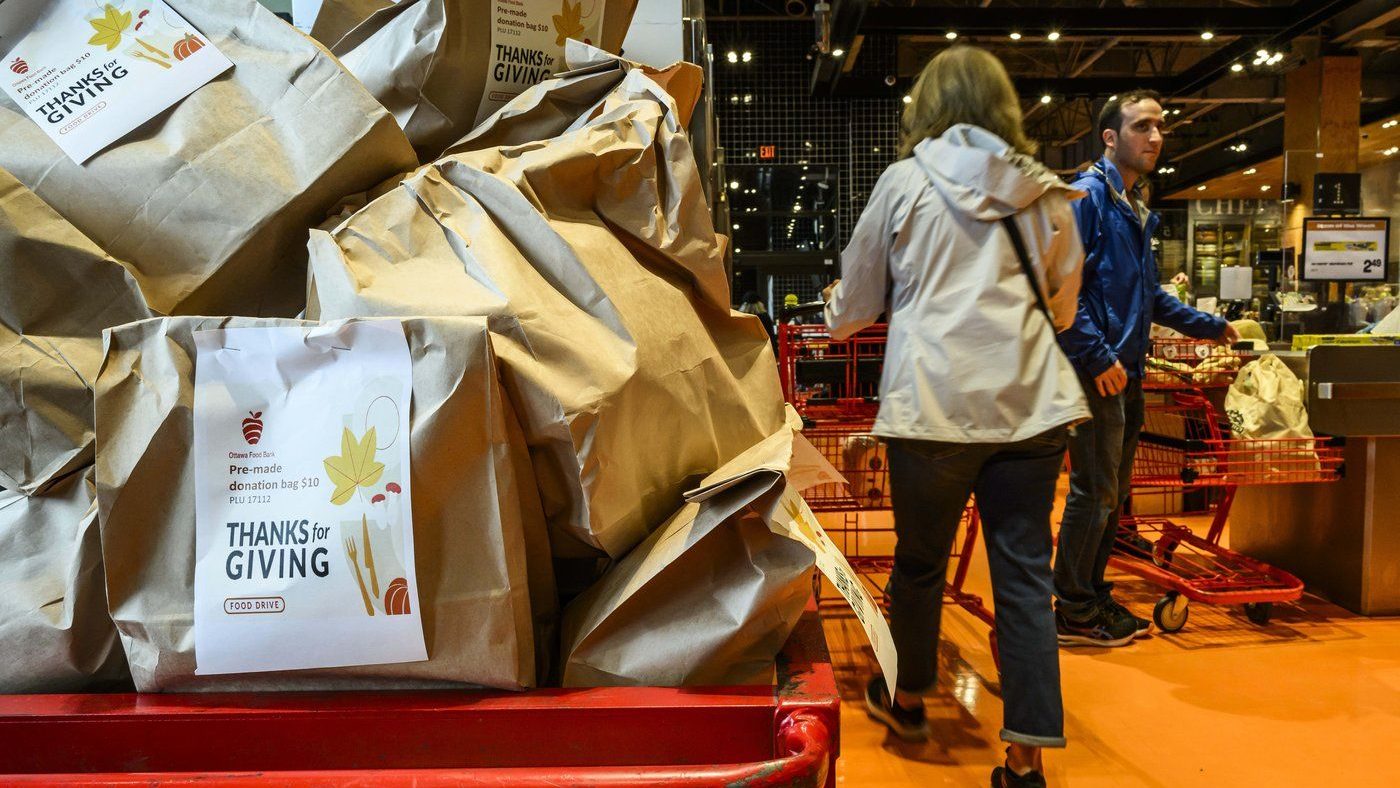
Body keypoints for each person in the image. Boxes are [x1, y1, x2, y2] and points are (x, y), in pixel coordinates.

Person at [823, 46, 1089, 787]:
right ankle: (1026, 755)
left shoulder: (905, 183)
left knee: (918, 565)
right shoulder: (1046, 193)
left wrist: (843, 312)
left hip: (933, 409)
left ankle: (906, 698)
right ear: (1003, 107)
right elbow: (1064, 306)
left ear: (927, 107)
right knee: (1024, 579)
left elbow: (853, 306)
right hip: (1032, 408)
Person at [1054, 91, 1241, 646]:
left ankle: (1089, 592)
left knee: (1114, 491)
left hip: (1126, 372)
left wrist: (1206, 325)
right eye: (1141, 127)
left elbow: (1147, 296)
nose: (1155, 137)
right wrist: (1096, 356)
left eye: (1160, 126)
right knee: (1094, 491)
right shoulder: (1086, 198)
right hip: (1098, 372)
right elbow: (1066, 290)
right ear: (1110, 137)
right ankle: (1072, 606)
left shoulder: (1132, 206)